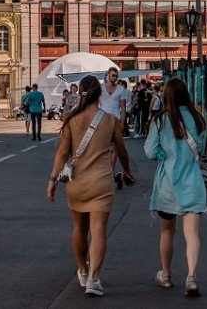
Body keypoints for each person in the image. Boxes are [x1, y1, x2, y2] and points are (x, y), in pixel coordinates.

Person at [46, 74, 134, 297]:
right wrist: (126, 170)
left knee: (79, 228)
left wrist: (52, 180)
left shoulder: (71, 119)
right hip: (102, 182)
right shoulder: (110, 120)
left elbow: (62, 153)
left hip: (77, 182)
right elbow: (121, 150)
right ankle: (94, 279)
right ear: (100, 93)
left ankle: (83, 270)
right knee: (98, 230)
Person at [144, 78, 207, 297]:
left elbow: (150, 151)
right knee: (192, 234)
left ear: (167, 96)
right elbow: (201, 149)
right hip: (192, 182)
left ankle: (167, 275)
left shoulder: (160, 120)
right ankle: (191, 276)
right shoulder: (198, 119)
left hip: (168, 184)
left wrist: (164, 154)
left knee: (167, 231)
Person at [100, 68, 130, 188]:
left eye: (116, 76)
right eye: (113, 75)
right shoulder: (101, 88)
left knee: (115, 149)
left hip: (115, 121)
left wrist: (122, 123)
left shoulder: (121, 89)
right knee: (102, 149)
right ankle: (103, 172)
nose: (115, 78)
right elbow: (96, 104)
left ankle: (109, 173)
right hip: (102, 121)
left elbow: (123, 107)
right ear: (107, 75)